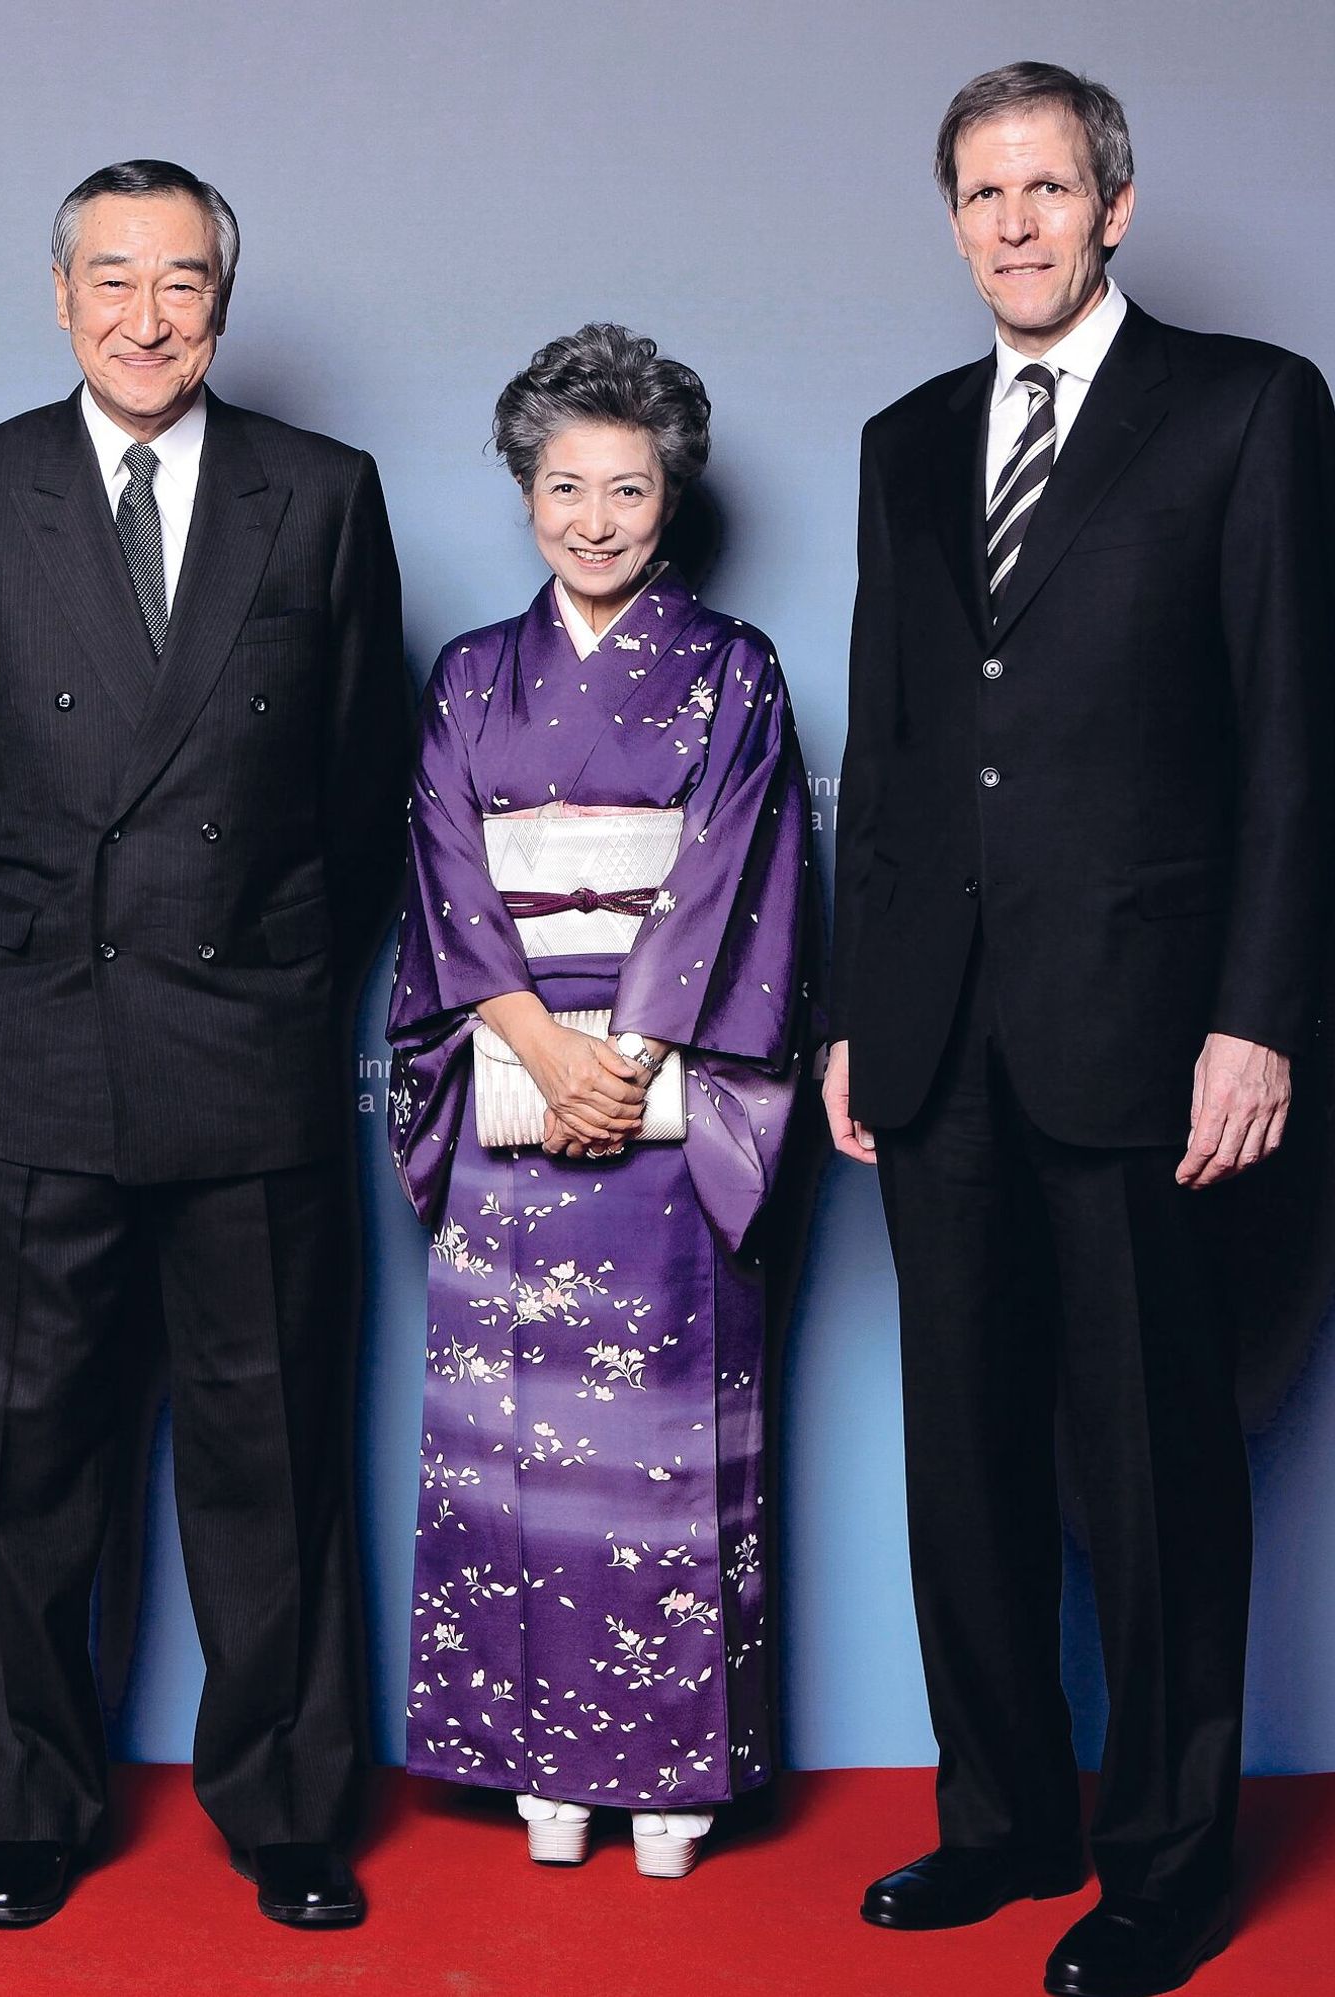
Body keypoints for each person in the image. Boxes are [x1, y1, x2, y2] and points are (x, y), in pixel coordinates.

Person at [826, 63, 1334, 1997]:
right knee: (962, 1462)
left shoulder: (1249, 407)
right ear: (954, 219)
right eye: (983, 194)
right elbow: (889, 739)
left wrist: (1257, 1016)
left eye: (1049, 188)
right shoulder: (904, 437)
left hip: (1152, 1030)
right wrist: (865, 1014)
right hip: (940, 1028)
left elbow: (1296, 738)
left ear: (1115, 203)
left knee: (1153, 1466)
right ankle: (1003, 1819)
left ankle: (1167, 1858)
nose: (1017, 223)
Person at [0, 159, 411, 1931]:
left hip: (252, 1044)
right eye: (112, 278)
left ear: (224, 302)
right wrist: (41, 952)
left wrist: (269, 967)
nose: (146, 312)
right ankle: (30, 1805)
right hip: (46, 1043)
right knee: (34, 1459)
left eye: (182, 279)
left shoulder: (322, 493)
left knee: (274, 1460)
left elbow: (354, 788)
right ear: (58, 296)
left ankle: (284, 1803)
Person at [387, 325, 815, 1879]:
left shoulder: (733, 673)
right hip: (513, 1087)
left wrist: (622, 1057)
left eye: (625, 488)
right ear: (523, 491)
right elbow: (445, 875)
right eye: (564, 485)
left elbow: (732, 883)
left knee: (661, 1446)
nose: (593, 517)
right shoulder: (469, 679)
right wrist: (540, 1046)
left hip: (665, 1107)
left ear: (671, 495)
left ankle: (673, 1771)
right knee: (515, 1446)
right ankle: (539, 1765)